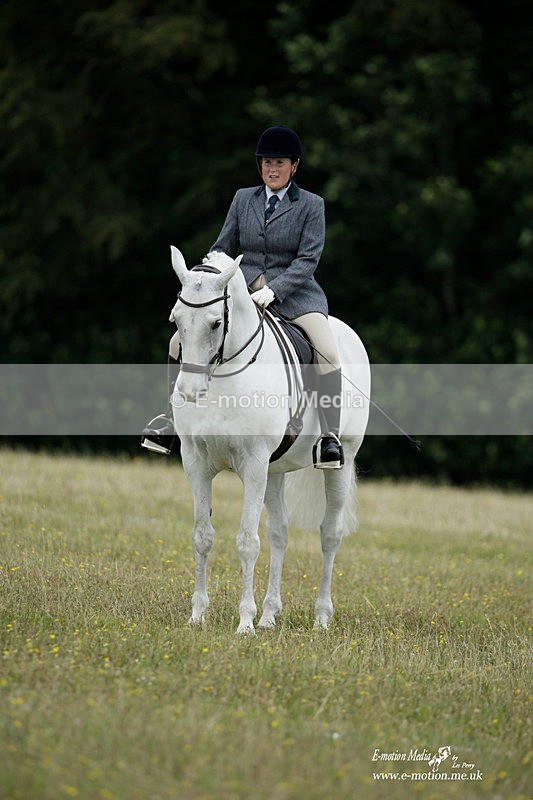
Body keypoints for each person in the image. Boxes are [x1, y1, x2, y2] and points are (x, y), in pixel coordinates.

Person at [141, 125, 344, 468]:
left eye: (279, 162)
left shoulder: (312, 205)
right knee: (178, 342)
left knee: (327, 351)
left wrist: (274, 290)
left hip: (296, 296)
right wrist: (206, 277)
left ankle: (329, 437)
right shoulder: (242, 199)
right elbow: (222, 247)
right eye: (266, 163)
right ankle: (170, 421)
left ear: (294, 166)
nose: (271, 169)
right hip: (240, 294)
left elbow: (308, 261)